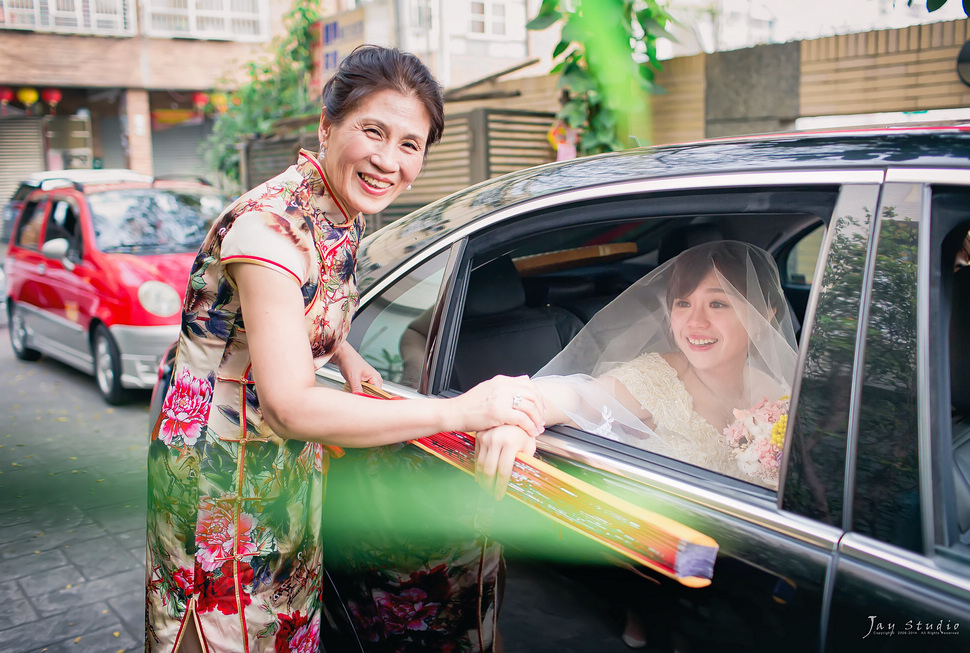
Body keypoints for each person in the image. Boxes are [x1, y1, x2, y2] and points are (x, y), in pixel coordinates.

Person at [144, 45, 543, 653]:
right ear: (328, 127)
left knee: (286, 624)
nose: (388, 161)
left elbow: (299, 314)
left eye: (410, 145)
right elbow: (292, 408)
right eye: (373, 131)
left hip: (282, 469)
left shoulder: (340, 210)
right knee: (230, 633)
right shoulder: (270, 230)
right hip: (219, 480)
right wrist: (460, 412)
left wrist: (343, 353)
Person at [475, 239, 798, 649]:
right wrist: (516, 413)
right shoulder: (659, 376)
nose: (695, 322)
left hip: (761, 564)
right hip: (676, 574)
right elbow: (578, 396)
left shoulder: (780, 394)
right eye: (683, 304)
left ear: (764, 315)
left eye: (718, 304)